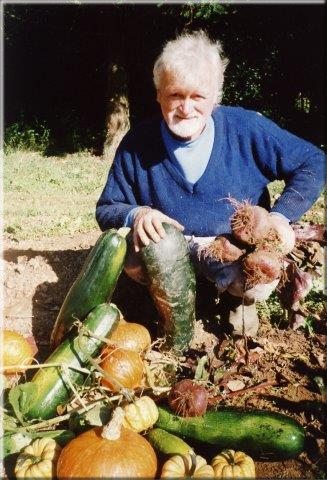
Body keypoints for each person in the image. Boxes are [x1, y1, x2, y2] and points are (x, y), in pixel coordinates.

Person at [96, 30, 325, 337]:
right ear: (158, 94)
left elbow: (313, 161)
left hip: (231, 246)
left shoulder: (246, 129)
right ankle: (170, 309)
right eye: (175, 95)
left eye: (197, 97)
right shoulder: (138, 143)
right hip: (169, 249)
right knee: (134, 254)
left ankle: (238, 301)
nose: (186, 108)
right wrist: (137, 214)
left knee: (260, 271)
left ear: (216, 97)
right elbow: (107, 207)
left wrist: (280, 216)